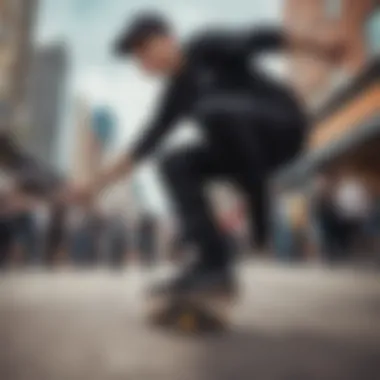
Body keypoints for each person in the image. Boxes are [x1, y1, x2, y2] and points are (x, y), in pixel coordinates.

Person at [64, 12, 345, 297]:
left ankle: (257, 196)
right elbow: (141, 147)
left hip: (282, 126)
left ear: (168, 39)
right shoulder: (175, 95)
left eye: (145, 50)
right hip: (242, 149)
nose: (144, 63)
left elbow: (261, 37)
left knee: (210, 109)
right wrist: (93, 186)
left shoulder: (205, 46)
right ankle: (212, 265)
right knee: (173, 163)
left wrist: (321, 46)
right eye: (138, 59)